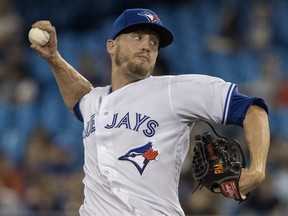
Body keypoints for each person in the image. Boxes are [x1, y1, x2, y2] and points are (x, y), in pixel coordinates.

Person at [30, 8, 270, 216]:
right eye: (137, 37)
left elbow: (253, 109)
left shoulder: (172, 90)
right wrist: (54, 58)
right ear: (111, 46)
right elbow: (79, 98)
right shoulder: (94, 101)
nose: (147, 45)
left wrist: (257, 170)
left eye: (154, 42)